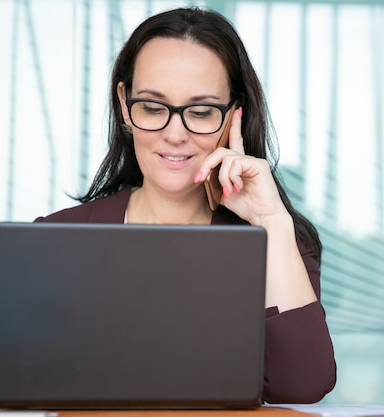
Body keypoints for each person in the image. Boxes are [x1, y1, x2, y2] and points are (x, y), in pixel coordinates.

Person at [35, 7, 335, 404]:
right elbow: (15, 393)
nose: (175, 134)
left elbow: (305, 384)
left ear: (234, 116)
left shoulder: (278, 242)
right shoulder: (53, 241)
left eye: (201, 111)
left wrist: (270, 220)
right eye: (153, 107)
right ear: (125, 104)